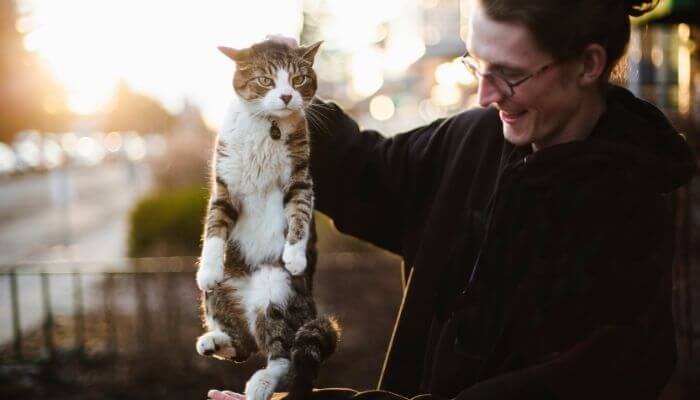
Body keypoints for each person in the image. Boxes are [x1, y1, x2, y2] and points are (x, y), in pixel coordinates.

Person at [208, 0, 697, 399]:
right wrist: (288, 97)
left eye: (509, 74)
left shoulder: (625, 217)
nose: (485, 95)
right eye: (475, 64)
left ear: (588, 64)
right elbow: (371, 175)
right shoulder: (476, 137)